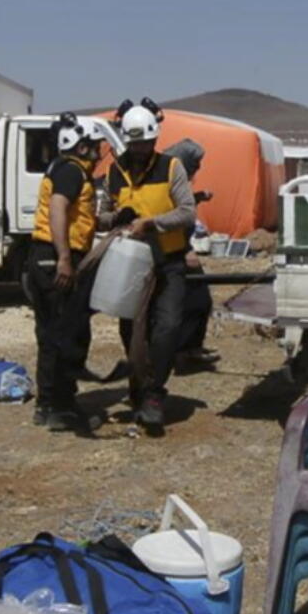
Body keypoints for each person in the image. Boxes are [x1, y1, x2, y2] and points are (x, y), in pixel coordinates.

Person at [99, 98, 196, 431]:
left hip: (168, 263)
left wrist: (152, 223)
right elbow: (103, 215)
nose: (143, 148)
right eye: (137, 143)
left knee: (167, 327)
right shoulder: (115, 170)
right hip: (130, 266)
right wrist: (115, 218)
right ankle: (139, 386)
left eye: (148, 142)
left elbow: (187, 212)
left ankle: (154, 393)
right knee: (132, 331)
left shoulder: (172, 167)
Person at [26, 113, 106, 432]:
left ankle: (47, 403)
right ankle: (63, 408)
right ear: (81, 146)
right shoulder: (72, 171)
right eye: (94, 146)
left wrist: (108, 221)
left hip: (42, 256)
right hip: (56, 256)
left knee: (49, 335)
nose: (98, 152)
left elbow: (76, 216)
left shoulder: (60, 168)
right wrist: (64, 258)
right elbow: (59, 209)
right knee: (69, 334)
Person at [162, 138, 220, 369]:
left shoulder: (176, 178)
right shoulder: (168, 179)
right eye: (194, 164)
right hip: (173, 250)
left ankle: (190, 347)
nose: (198, 169)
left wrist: (197, 198)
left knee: (198, 300)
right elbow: (170, 214)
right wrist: (185, 250)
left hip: (180, 247)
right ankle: (183, 352)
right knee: (196, 301)